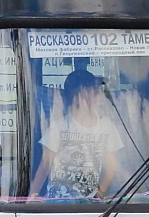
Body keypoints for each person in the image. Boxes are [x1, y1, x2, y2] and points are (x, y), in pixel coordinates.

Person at [29, 68, 123, 200]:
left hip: (88, 204)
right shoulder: (59, 126)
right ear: (77, 98)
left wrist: (100, 191)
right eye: (94, 93)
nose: (100, 98)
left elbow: (112, 166)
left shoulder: (106, 126)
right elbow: (45, 165)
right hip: (56, 202)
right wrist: (32, 196)